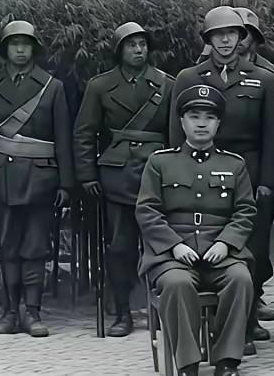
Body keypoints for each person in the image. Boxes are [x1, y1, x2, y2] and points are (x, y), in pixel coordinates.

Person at [170, 6, 274, 349]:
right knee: (206, 248)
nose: (225, 40)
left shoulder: (263, 79)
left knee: (249, 254)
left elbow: (272, 136)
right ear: (208, 39)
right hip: (201, 176)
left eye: (232, 33)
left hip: (248, 173)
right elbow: (176, 136)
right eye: (218, 35)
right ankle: (210, 330)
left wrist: (268, 182)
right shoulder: (189, 78)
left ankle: (244, 328)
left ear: (241, 38)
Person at [137, 85, 256, 376]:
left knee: (240, 278)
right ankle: (188, 363)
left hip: (220, 251)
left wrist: (226, 243)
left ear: (218, 123)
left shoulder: (234, 164)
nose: (201, 123)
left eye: (209, 117)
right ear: (182, 121)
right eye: (194, 116)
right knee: (178, 284)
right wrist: (174, 245)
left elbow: (246, 211)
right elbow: (147, 210)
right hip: (173, 254)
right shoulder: (160, 162)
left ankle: (227, 360)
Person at [0, 20, 74, 338]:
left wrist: (66, 184)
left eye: (26, 44)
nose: (20, 49)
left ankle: (33, 312)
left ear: (34, 49)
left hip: (41, 179)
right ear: (5, 49)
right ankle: (10, 312)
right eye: (14, 44)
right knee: (8, 246)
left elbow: (63, 138)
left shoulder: (52, 87)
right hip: (1, 178)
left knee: (35, 247)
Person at [74, 21, 174, 336]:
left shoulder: (167, 85)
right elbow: (85, 134)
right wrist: (88, 174)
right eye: (131, 45)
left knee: (160, 244)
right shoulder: (100, 86)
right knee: (119, 248)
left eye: (143, 44)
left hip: (157, 174)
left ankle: (163, 310)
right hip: (116, 176)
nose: (138, 50)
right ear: (119, 50)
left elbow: (174, 134)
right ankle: (122, 313)